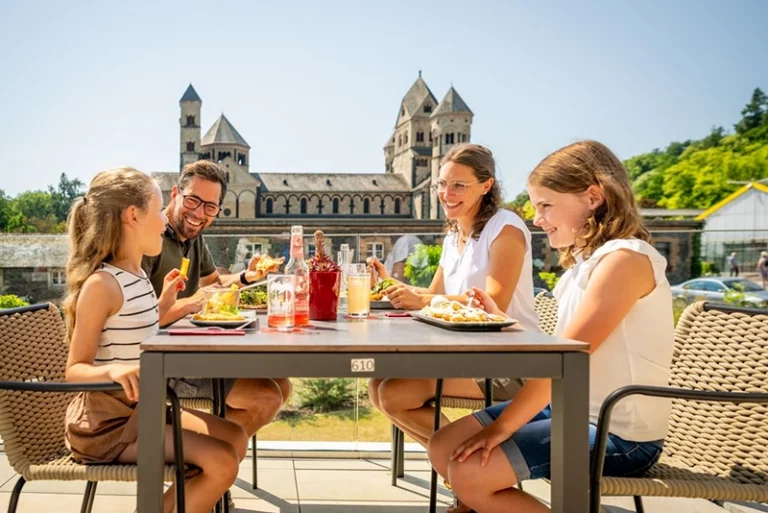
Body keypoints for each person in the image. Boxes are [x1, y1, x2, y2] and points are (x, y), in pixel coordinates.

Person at [427, 140, 674, 513]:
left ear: (593, 197)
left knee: (470, 474)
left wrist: (501, 429)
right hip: (567, 408)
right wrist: (500, 320)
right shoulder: (584, 266)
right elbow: (555, 346)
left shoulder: (624, 262)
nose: (537, 219)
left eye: (545, 206)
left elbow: (565, 362)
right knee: (443, 446)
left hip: (617, 432)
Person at [63, 168, 248, 513]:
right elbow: (74, 369)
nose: (166, 219)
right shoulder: (102, 285)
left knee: (236, 437)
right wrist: (114, 371)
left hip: (145, 411)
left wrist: (162, 302)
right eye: (160, 208)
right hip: (108, 427)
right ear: (133, 216)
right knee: (222, 461)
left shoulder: (138, 276)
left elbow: (140, 327)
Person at [368, 144, 539, 510]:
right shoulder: (454, 235)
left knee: (394, 394)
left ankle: (469, 480)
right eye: (442, 184)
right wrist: (388, 283)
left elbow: (494, 303)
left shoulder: (505, 228)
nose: (447, 194)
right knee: (377, 386)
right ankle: (465, 479)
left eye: (459, 186)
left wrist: (422, 301)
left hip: (511, 363)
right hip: (468, 356)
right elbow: (434, 296)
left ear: (486, 185)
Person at [141, 161, 291, 441]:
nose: (199, 213)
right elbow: (139, 321)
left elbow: (215, 285)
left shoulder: (192, 237)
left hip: (195, 354)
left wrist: (247, 276)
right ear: (175, 194)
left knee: (283, 386)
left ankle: (207, 458)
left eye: (210, 207)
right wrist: (192, 303)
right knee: (267, 398)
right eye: (193, 201)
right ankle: (203, 464)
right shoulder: (151, 239)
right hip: (162, 366)